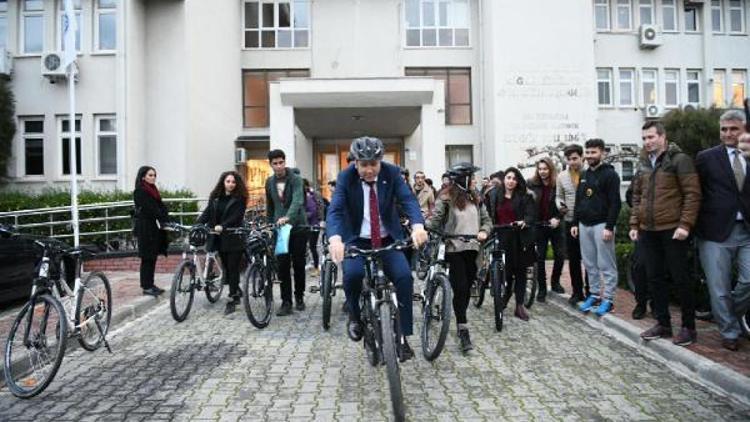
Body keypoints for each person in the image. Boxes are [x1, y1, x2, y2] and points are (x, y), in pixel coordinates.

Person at [327, 137, 428, 362]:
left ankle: (402, 337)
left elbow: (408, 200)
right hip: (356, 238)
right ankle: (354, 315)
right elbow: (335, 209)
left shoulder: (392, 173)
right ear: (355, 164)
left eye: (374, 163)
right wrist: (335, 238)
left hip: (386, 239)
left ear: (381, 161)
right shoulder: (346, 177)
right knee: (352, 275)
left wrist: (418, 226)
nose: (370, 169)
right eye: (364, 165)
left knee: (403, 277)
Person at [630, 121, 701, 346]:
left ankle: (689, 327)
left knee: (681, 278)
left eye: (651, 137)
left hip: (673, 229)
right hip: (648, 230)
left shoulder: (679, 160)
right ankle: (663, 324)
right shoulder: (643, 163)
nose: (647, 142)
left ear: (662, 137)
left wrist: (685, 225)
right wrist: (634, 225)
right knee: (655, 277)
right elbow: (637, 196)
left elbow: (692, 194)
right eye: (644, 138)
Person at [695, 110, 750, 351]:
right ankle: (729, 331)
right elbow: (695, 193)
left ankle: (729, 314)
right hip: (714, 233)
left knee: (748, 281)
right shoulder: (706, 158)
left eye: (733, 129)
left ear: (744, 130)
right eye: (724, 129)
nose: (728, 133)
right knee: (719, 289)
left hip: (747, 230)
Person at [426, 163, 491, 353]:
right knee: (461, 287)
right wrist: (423, 225)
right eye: (472, 177)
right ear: (463, 179)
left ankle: (461, 319)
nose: (475, 181)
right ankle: (463, 329)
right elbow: (435, 221)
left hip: (473, 249)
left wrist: (484, 231)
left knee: (466, 289)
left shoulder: (476, 198)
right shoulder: (446, 197)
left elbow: (487, 221)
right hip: (453, 249)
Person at [571, 138, 622, 317]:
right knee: (590, 263)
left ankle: (608, 299)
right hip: (584, 225)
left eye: (594, 152)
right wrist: (575, 223)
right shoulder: (584, 175)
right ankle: (594, 295)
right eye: (588, 152)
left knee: (606, 264)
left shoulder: (610, 175)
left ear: (602, 153)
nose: (590, 156)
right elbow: (579, 200)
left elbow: (615, 203)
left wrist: (610, 226)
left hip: (602, 224)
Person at [487, 167, 536, 321]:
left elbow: (530, 215)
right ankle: (505, 296)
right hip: (501, 236)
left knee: (520, 272)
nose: (511, 181)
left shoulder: (525, 196)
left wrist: (525, 221)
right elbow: (488, 214)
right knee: (505, 272)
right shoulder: (494, 194)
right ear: (504, 179)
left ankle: (519, 306)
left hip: (519, 237)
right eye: (508, 177)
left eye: (514, 178)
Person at [197, 171, 248, 314]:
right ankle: (235, 288)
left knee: (232, 267)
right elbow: (208, 213)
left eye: (233, 182)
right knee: (226, 266)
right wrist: (198, 223)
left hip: (233, 236)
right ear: (223, 182)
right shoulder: (215, 197)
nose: (231, 184)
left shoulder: (240, 198)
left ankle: (233, 298)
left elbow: (236, 216)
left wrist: (223, 226)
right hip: (218, 237)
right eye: (228, 181)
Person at [265, 149, 308, 316]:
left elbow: (298, 200)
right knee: (282, 266)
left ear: (285, 161)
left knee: (298, 264)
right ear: (271, 165)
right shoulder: (269, 182)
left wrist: (287, 217)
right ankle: (286, 301)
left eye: (281, 162)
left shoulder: (296, 180)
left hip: (298, 227)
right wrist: (269, 224)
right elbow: (270, 206)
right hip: (280, 230)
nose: (278, 166)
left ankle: (299, 297)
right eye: (275, 163)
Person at [528, 157, 565, 302]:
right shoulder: (531, 184)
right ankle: (542, 289)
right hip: (539, 225)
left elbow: (564, 203)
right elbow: (527, 202)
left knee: (560, 255)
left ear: (551, 169)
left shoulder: (558, 184)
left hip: (555, 224)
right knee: (540, 258)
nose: (542, 172)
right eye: (540, 169)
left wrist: (558, 218)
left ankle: (555, 282)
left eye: (545, 169)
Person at [557, 145, 589, 305]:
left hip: (587, 221)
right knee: (574, 258)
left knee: (589, 259)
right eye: (569, 159)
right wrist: (560, 205)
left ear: (582, 157)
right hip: (569, 220)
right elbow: (558, 196)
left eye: (575, 158)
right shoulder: (562, 176)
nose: (572, 162)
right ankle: (577, 291)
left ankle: (591, 292)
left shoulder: (589, 174)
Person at [133, 166, 170, 296]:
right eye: (150, 175)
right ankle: (146, 286)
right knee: (147, 257)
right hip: (145, 228)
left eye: (154, 175)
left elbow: (160, 207)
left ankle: (150, 284)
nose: (153, 177)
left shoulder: (153, 190)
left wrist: (167, 217)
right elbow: (151, 209)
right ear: (143, 177)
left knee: (152, 257)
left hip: (153, 228)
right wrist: (161, 215)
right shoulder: (140, 191)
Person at [303, 179, 325, 277]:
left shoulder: (309, 196)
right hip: (309, 225)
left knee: (312, 246)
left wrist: (301, 216)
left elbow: (312, 211)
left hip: (312, 226)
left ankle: (317, 267)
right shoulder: (307, 195)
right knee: (308, 246)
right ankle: (313, 265)